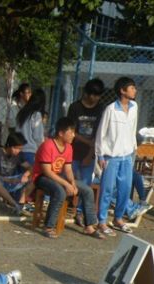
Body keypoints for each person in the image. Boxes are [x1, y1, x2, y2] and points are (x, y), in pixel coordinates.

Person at [33, 117, 104, 239]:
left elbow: (68, 169)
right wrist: (66, 185)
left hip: (58, 177)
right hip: (42, 178)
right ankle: (48, 226)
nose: (73, 135)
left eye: (74, 132)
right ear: (61, 133)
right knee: (60, 192)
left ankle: (89, 226)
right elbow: (47, 172)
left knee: (86, 190)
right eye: (70, 132)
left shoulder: (68, 147)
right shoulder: (48, 145)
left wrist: (72, 183)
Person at [95, 77, 139, 236]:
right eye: (132, 88)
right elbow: (101, 132)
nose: (135, 90)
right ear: (122, 90)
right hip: (110, 157)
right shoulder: (111, 109)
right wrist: (100, 155)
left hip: (127, 156)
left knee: (125, 188)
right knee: (107, 189)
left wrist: (134, 147)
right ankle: (102, 221)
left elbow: (133, 128)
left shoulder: (134, 107)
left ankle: (118, 218)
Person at [67, 78, 105, 225]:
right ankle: (66, 208)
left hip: (90, 153)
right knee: (70, 182)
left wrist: (90, 153)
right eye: (92, 94)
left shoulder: (101, 109)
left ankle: (80, 213)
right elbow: (71, 131)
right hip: (74, 151)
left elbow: (100, 133)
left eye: (98, 95)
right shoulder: (75, 107)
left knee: (86, 185)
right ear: (86, 93)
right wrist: (87, 141)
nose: (94, 98)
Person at [0, 132, 32, 214]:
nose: (18, 151)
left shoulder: (19, 155)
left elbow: (31, 168)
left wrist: (25, 175)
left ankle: (20, 204)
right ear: (9, 145)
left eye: (20, 149)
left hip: (10, 181)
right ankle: (14, 204)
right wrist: (5, 179)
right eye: (16, 148)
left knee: (33, 180)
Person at [16, 88, 46, 167]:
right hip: (30, 151)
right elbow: (38, 137)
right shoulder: (36, 115)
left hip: (18, 150)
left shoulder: (21, 113)